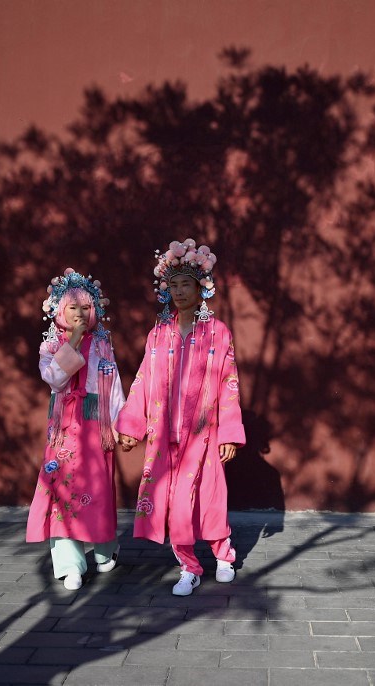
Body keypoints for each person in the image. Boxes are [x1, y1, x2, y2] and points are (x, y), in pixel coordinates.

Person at [117, 238, 245, 596]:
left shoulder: (217, 333)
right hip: (165, 436)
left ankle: (223, 555)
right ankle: (189, 567)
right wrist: (131, 426)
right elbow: (143, 380)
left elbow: (229, 383)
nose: (179, 291)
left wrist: (229, 434)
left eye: (186, 284)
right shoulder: (158, 335)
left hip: (204, 433)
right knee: (174, 501)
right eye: (173, 285)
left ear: (201, 287)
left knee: (209, 497)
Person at [26, 268, 125, 591]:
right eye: (72, 307)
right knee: (63, 493)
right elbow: (55, 380)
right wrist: (72, 341)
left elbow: (113, 385)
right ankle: (70, 565)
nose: (80, 313)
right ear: (60, 310)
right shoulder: (51, 345)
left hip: (96, 424)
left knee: (98, 491)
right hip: (64, 427)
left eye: (86, 307)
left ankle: (105, 548)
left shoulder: (102, 344)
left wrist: (121, 424)